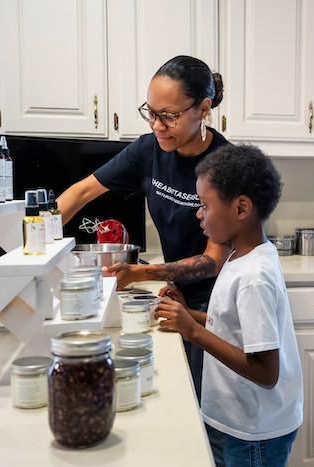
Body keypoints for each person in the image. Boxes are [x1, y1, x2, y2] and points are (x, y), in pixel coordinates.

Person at [57, 55, 232, 400]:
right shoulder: (148, 150)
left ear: (204, 108)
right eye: (151, 112)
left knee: (209, 403)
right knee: (179, 395)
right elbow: (80, 193)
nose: (157, 125)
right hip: (179, 294)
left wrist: (140, 273)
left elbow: (213, 260)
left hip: (218, 304)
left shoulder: (225, 165)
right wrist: (34, 243)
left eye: (169, 116)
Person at [155, 144, 303, 467]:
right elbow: (234, 327)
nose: (198, 213)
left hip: (253, 432)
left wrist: (193, 331)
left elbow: (266, 371)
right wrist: (189, 315)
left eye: (205, 205)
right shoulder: (242, 255)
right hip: (238, 422)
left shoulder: (254, 276)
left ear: (241, 209)